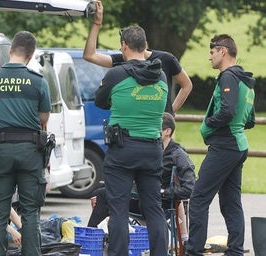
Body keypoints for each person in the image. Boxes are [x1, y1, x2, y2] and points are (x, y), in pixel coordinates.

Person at [95, 25, 168, 256]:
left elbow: (100, 101)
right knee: (154, 209)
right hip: (153, 149)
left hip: (123, 149)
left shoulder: (116, 74)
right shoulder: (161, 75)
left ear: (124, 46)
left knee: (118, 210)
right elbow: (165, 108)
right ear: (145, 47)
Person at [0, 31, 51, 256]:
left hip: (1, 151)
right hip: (30, 151)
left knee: (0, 212)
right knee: (30, 212)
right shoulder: (38, 82)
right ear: (30, 56)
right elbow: (44, 119)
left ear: (10, 49)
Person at [185, 34, 255, 256]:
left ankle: (193, 251)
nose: (209, 57)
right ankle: (235, 251)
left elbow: (227, 111)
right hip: (238, 146)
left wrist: (208, 123)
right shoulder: (246, 80)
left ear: (223, 51)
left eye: (212, 52)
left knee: (198, 199)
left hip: (225, 146)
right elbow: (250, 120)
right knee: (230, 203)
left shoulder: (228, 77)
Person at [88, 112, 196, 245]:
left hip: (159, 203)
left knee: (105, 196)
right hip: (138, 196)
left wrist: (162, 192)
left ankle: (92, 241)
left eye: (155, 128)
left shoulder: (178, 155)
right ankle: (91, 240)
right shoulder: (150, 149)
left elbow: (189, 189)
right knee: (101, 193)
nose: (150, 132)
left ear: (167, 131)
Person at [83, 0, 192, 116]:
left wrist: (169, 113)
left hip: (161, 126)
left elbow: (187, 85)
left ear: (124, 46)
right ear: (144, 43)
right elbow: (90, 55)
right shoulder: (122, 59)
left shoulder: (167, 59)